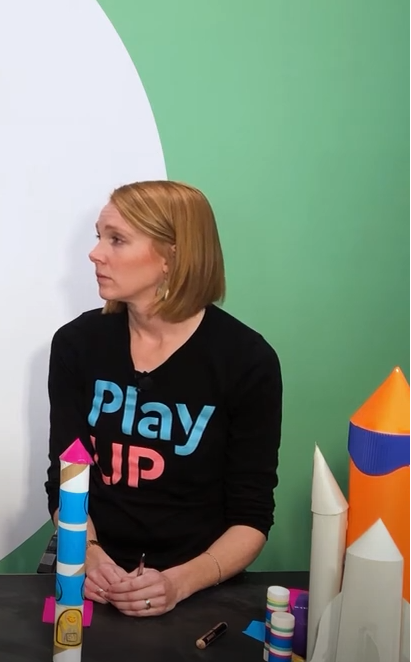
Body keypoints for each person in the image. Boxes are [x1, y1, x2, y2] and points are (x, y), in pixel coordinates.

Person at [43, 180, 283, 617]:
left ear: (173, 256)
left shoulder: (246, 360)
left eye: (116, 239)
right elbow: (65, 474)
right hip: (88, 568)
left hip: (199, 585)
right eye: (100, 237)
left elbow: (251, 515)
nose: (95, 253)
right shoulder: (77, 344)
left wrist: (178, 583)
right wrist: (88, 555)